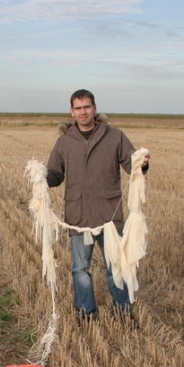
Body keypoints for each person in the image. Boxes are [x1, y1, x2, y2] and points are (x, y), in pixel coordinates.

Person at [45, 89, 149, 322]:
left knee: (117, 268)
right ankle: (86, 312)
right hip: (78, 215)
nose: (83, 112)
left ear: (94, 108)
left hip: (109, 215)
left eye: (87, 107)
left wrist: (142, 164)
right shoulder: (64, 142)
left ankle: (122, 311)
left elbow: (131, 165)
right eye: (78, 108)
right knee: (80, 269)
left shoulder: (114, 136)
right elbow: (55, 175)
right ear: (71, 112)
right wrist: (40, 177)